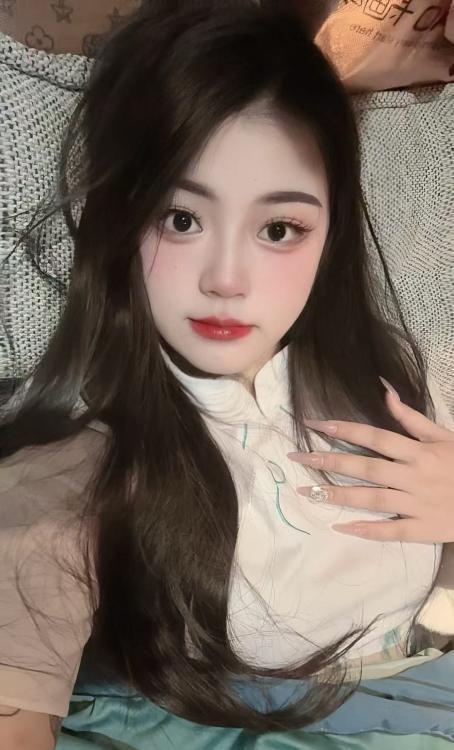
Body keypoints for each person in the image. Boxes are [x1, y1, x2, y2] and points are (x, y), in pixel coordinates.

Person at [0, 1, 453, 748]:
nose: (227, 280)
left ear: (331, 234)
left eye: (279, 229)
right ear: (120, 215)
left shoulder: (387, 374)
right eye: (181, 219)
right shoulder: (68, 478)